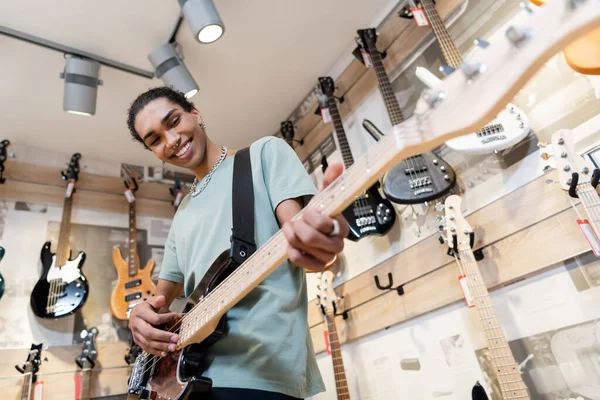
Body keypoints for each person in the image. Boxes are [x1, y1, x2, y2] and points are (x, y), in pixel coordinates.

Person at [125, 87, 349, 400]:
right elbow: (161, 300)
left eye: (173, 121)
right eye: (156, 140)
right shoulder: (183, 212)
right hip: (188, 381)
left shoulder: (263, 155)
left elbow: (302, 237)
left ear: (196, 113)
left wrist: (322, 238)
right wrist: (139, 315)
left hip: (263, 375)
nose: (171, 140)